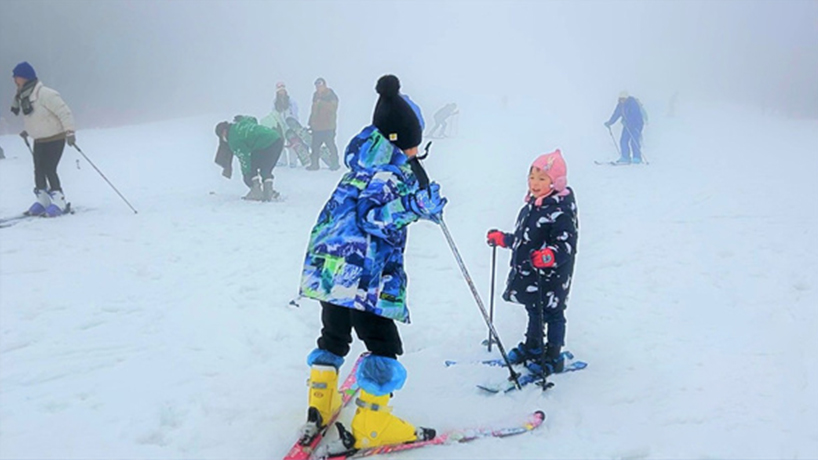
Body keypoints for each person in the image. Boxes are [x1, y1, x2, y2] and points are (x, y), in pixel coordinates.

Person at [298, 75, 446, 451]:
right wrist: (416, 206)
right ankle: (373, 423)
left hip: (332, 272)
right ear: (404, 140)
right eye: (414, 144)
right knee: (382, 343)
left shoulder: (364, 163)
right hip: (365, 279)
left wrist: (415, 196)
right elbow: (373, 217)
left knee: (333, 333)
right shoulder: (389, 174)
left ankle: (320, 402)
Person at [486, 149, 579, 377]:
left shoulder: (560, 211)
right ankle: (533, 346)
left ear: (555, 182)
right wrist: (504, 239)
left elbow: (566, 245)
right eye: (532, 177)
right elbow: (524, 240)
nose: (534, 183)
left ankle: (554, 355)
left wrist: (549, 256)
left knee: (553, 312)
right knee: (534, 310)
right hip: (532, 274)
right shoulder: (532, 206)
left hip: (553, 277)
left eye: (542, 178)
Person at [10, 61, 76, 217]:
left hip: (55, 138)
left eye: (16, 77)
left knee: (49, 169)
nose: (14, 80)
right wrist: (28, 130)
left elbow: (63, 112)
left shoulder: (45, 93)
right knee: (38, 170)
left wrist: (70, 132)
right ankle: (43, 200)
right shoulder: (24, 96)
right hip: (39, 139)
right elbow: (37, 117)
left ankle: (59, 201)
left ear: (25, 77)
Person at [214, 115, 284, 201]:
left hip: (265, 145)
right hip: (276, 139)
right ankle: (268, 191)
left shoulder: (234, 140)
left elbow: (244, 157)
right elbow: (253, 119)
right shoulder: (241, 124)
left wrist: (246, 174)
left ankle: (257, 191)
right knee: (266, 168)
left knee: (253, 165)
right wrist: (242, 118)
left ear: (223, 133)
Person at [604, 91, 646, 164]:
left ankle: (637, 157)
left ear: (627, 98)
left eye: (623, 99)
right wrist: (610, 122)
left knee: (634, 140)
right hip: (627, 125)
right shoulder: (620, 105)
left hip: (636, 124)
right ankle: (625, 157)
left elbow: (634, 114)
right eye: (620, 99)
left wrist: (627, 121)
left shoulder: (632, 103)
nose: (622, 100)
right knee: (623, 140)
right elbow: (616, 114)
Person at [307, 77, 340, 171]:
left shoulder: (331, 95)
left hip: (328, 126)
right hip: (316, 127)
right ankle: (314, 164)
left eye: (320, 85)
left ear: (324, 85)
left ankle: (335, 163)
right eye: (316, 86)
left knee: (330, 145)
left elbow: (333, 108)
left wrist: (322, 103)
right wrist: (310, 121)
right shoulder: (315, 95)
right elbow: (313, 110)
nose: (318, 88)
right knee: (315, 146)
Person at [272, 82, 300, 168]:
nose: (281, 92)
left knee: (292, 143)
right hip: (280, 125)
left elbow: (295, 113)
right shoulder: (275, 102)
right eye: (279, 91)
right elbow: (274, 113)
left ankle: (293, 162)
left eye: (282, 90)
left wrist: (294, 124)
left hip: (290, 126)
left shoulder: (291, 101)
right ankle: (282, 161)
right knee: (280, 144)